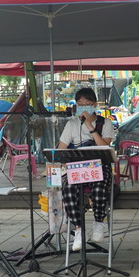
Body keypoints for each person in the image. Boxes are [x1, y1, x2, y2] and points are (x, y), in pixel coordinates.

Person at [57, 88, 115, 251]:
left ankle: (98, 224)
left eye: (88, 104)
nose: (83, 107)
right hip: (77, 169)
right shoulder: (71, 124)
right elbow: (61, 150)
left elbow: (105, 148)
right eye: (80, 104)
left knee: (98, 189)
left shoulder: (105, 123)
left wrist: (90, 126)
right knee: (68, 189)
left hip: (99, 169)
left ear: (95, 105)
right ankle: (78, 230)